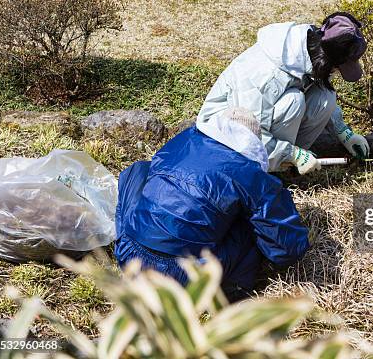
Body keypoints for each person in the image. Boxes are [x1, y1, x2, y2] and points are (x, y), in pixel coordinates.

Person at [114, 107, 309, 301]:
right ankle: (231, 289)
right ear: (252, 142)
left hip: (129, 256)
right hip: (183, 276)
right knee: (252, 226)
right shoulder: (249, 173)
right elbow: (287, 249)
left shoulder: (183, 141)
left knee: (139, 171)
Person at [197, 12, 370, 175]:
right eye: (338, 68)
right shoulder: (265, 74)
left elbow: (320, 97)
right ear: (325, 59)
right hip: (226, 136)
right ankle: (275, 169)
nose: (337, 73)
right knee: (294, 100)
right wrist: (292, 154)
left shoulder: (311, 50)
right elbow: (249, 135)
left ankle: (287, 166)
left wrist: (344, 133)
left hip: (265, 127)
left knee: (325, 96)